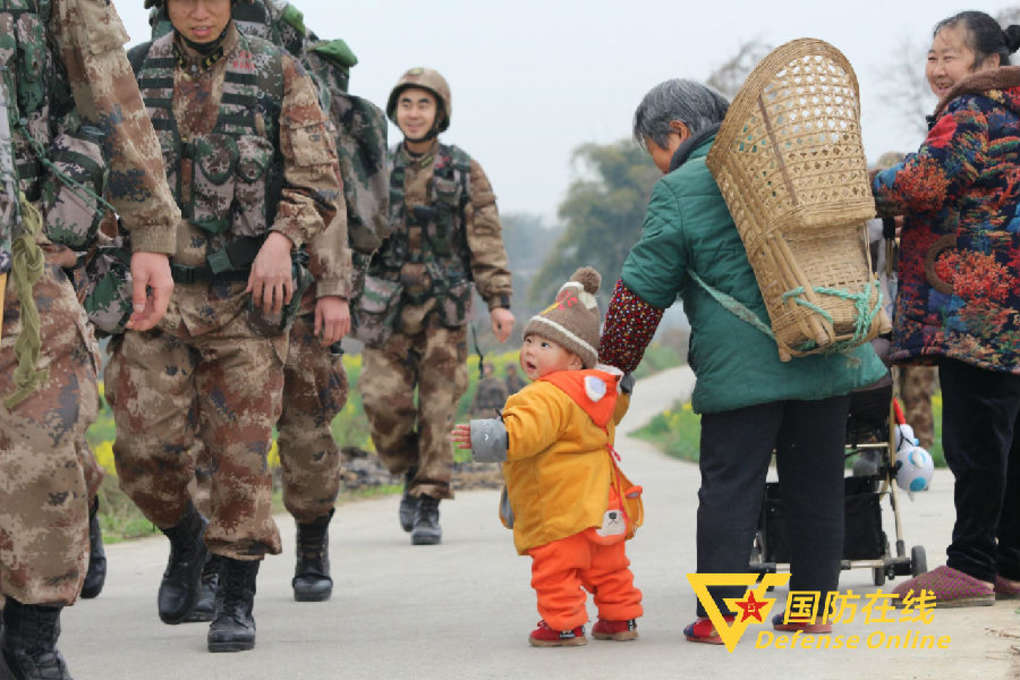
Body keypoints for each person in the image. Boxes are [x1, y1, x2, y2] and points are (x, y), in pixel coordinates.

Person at [597, 79, 887, 643]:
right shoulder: (790, 166)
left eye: (653, 150)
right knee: (817, 482)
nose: (659, 164)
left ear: (677, 133)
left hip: (743, 372)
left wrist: (612, 364)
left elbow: (643, 289)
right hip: (827, 349)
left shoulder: (682, 188)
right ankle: (811, 609)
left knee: (732, 484)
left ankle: (723, 614)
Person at [134, 0, 390, 609]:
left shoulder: (284, 69)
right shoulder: (144, 65)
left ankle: (301, 545)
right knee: (166, 447)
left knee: (296, 430)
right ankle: (201, 551)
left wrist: (332, 288)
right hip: (174, 288)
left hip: (277, 285)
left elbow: (323, 191)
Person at [106, 0, 343, 653]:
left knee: (240, 454)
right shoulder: (132, 75)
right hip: (157, 298)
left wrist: (281, 238)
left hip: (246, 298)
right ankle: (187, 538)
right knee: (139, 450)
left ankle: (235, 598)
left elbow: (319, 178)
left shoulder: (277, 73)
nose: (200, 10)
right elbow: (106, 172)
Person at [0, 0, 181, 675]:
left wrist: (151, 233)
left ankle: (30, 641)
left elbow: (109, 88)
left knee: (40, 451)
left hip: (23, 254)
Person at [872, 10, 1020, 606]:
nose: (937, 68)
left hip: (972, 307)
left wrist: (870, 183)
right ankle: (1008, 562)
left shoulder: (970, 112)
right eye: (932, 56)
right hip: (1008, 302)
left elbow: (924, 181)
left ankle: (969, 566)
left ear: (988, 64)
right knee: (1008, 435)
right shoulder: (1009, 111)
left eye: (950, 56)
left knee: (976, 437)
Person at [355, 67, 515, 545]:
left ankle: (428, 501)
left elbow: (485, 238)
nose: (414, 113)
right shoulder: (376, 168)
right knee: (382, 403)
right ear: (395, 111)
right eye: (406, 104)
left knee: (439, 411)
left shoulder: (464, 170)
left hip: (444, 310)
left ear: (440, 112)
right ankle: (410, 472)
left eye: (424, 104)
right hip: (386, 308)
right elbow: (354, 236)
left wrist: (499, 301)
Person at [452, 267, 643, 647]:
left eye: (544, 346)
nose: (529, 351)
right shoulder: (600, 394)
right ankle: (621, 618)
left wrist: (489, 435)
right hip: (602, 505)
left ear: (575, 360)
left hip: (559, 510)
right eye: (529, 341)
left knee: (556, 571)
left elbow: (524, 432)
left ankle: (564, 625)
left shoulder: (542, 395)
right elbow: (615, 412)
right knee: (609, 567)